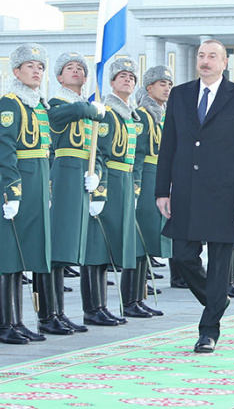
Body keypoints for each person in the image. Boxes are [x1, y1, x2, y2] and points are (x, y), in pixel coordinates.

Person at [155, 39, 234, 353]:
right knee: (183, 257)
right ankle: (216, 300)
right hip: (186, 192)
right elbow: (169, 145)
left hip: (225, 195)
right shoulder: (180, 94)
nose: (205, 61)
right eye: (201, 55)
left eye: (212, 56)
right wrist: (163, 191)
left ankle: (208, 330)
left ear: (224, 62)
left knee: (219, 263)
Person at [0, 44, 53, 343]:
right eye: (29, 66)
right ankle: (3, 325)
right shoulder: (11, 103)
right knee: (8, 254)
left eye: (40, 67)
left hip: (37, 180)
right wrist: (11, 189)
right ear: (16, 71)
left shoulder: (38, 104)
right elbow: (6, 147)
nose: (36, 71)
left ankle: (18, 321)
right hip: (20, 181)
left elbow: (46, 150)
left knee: (26, 253)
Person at [47, 52, 106, 330]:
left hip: (82, 172)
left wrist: (97, 176)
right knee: (60, 245)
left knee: (74, 244)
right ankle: (50, 314)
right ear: (59, 77)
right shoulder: (59, 102)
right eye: (69, 68)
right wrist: (90, 109)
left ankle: (59, 313)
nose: (76, 72)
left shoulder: (85, 104)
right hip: (66, 171)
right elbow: (60, 117)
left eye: (80, 69)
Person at [84, 58, 141, 325]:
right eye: (122, 76)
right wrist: (99, 191)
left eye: (131, 76)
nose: (127, 79)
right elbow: (100, 154)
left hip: (125, 180)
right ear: (111, 82)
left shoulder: (128, 114)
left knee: (109, 247)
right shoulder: (106, 112)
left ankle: (103, 305)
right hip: (110, 181)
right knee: (97, 245)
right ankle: (92, 307)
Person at [130, 65, 174, 316]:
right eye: (161, 83)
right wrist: (136, 186)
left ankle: (139, 296)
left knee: (148, 237)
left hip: (157, 176)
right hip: (146, 176)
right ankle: (133, 297)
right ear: (148, 88)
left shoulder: (160, 115)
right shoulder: (144, 115)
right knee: (141, 236)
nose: (166, 87)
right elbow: (138, 154)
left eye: (168, 84)